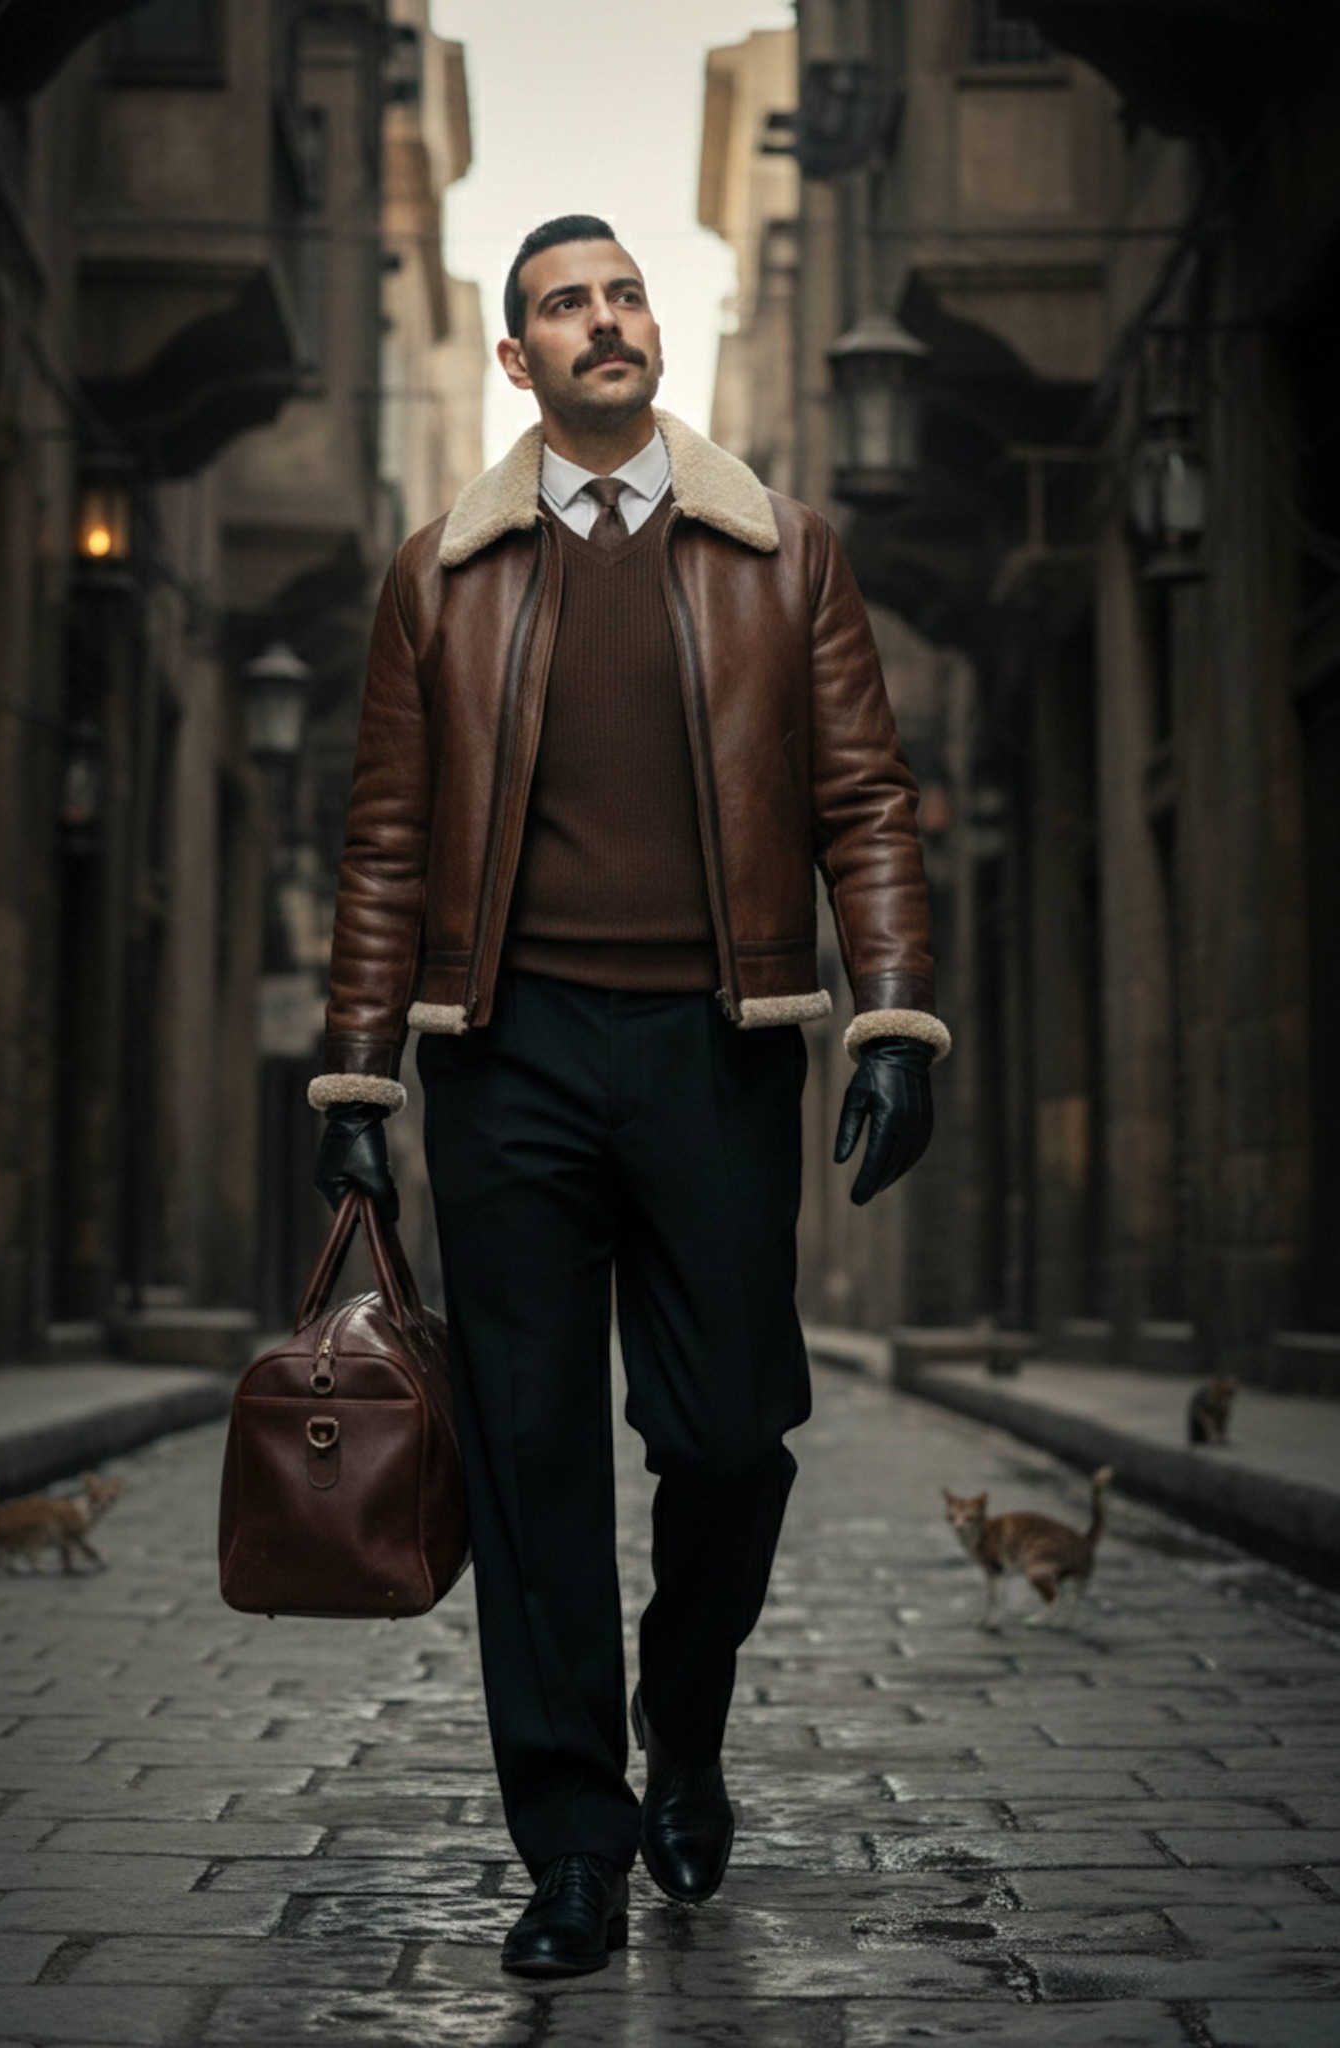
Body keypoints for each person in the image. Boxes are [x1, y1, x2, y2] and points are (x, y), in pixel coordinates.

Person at [310, 215, 949, 1978]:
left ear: (652, 331)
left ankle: (690, 1718)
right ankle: (574, 1847)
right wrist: (362, 1064)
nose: (606, 323)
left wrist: (889, 1014)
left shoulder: (780, 556)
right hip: (505, 1057)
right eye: (564, 307)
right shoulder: (434, 578)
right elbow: (382, 843)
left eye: (624, 294)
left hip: (717, 1047)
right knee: (527, 1457)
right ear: (515, 362)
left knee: (733, 1432)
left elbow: (866, 801)